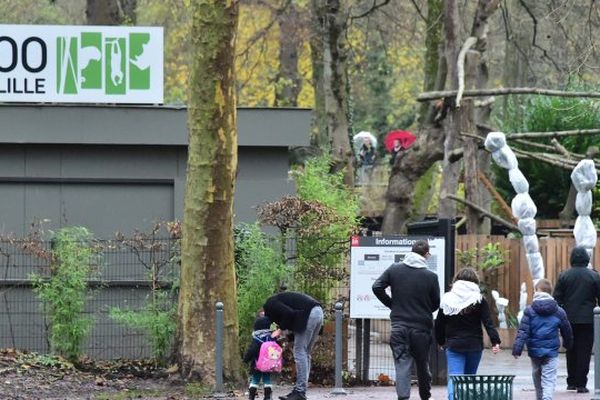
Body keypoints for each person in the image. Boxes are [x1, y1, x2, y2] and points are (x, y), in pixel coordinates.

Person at [372, 239, 440, 400]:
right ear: (427, 255)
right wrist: (423, 311)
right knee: (422, 364)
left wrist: (392, 305)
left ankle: (403, 397)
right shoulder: (431, 276)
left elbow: (377, 287)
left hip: (399, 327)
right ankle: (425, 396)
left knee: (402, 364)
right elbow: (436, 303)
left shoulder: (395, 269)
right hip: (421, 328)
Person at [435, 268, 501, 400]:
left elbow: (439, 323)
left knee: (455, 377)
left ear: (456, 280)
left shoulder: (447, 299)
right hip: (474, 345)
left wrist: (441, 341)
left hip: (454, 345)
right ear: (475, 281)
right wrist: (495, 341)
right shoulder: (479, 299)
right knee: (469, 379)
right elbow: (488, 322)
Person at [513, 279, 573, 400]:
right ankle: (547, 398)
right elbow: (567, 330)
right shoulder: (558, 311)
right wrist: (568, 344)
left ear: (536, 291)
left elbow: (523, 331)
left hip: (534, 351)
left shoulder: (529, 310)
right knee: (549, 378)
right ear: (550, 292)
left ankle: (540, 398)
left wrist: (517, 349)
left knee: (537, 375)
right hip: (551, 351)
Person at [553, 246, 600, 393]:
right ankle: (581, 384)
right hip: (588, 319)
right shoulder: (594, 276)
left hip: (568, 319)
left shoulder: (564, 276)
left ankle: (571, 382)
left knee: (570, 349)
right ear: (586, 258)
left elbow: (557, 299)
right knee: (584, 351)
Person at [262, 291, 323, 400]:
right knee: (305, 353)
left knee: (299, 351)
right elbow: (293, 318)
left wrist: (280, 330)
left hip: (310, 314)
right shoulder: (279, 301)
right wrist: (287, 335)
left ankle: (300, 391)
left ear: (263, 313)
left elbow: (288, 313)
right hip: (318, 312)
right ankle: (301, 390)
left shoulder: (270, 304)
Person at [243, 313, 279, 400]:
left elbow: (252, 350)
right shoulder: (271, 337)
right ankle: (267, 396)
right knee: (267, 379)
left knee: (255, 379)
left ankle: (251, 396)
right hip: (268, 363)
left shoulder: (256, 338)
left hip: (257, 363)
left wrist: (246, 359)